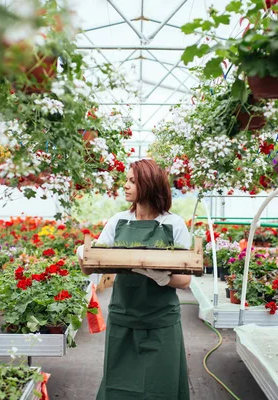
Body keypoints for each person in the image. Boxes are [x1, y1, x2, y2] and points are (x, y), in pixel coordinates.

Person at [77, 159, 192, 400]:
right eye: (127, 180)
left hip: (161, 322)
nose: (125, 185)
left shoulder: (173, 224)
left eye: (132, 181)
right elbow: (90, 270)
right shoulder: (118, 221)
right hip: (124, 319)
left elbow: (184, 281)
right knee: (119, 388)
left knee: (162, 388)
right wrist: (83, 255)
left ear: (149, 184)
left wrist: (161, 276)